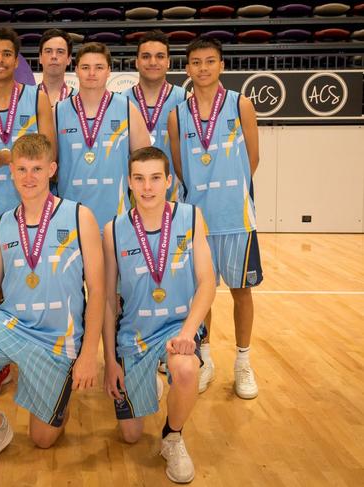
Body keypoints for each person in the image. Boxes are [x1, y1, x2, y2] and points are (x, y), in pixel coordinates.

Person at [0, 133, 104, 474]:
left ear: (52, 170)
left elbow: (98, 291)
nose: (29, 177)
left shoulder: (79, 217)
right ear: (11, 171)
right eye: (22, 169)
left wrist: (88, 355)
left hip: (58, 338)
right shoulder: (0, 226)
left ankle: (57, 388)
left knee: (43, 438)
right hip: (14, 324)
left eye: (37, 169)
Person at [102, 146, 215, 483]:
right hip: (134, 335)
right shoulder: (113, 230)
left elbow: (207, 283)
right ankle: (148, 376)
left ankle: (173, 436)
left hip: (176, 329)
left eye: (155, 178)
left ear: (169, 181)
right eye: (139, 179)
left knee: (185, 367)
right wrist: (109, 360)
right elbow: (108, 300)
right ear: (130, 183)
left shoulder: (191, 217)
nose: (147, 187)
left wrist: (188, 332)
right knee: (131, 435)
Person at [168, 36, 262, 398]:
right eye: (195, 62)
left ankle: (243, 362)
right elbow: (179, 167)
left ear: (221, 65)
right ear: (187, 68)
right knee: (200, 297)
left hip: (236, 218)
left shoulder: (242, 105)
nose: (202, 68)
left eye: (209, 61)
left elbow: (252, 160)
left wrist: (227, 191)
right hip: (197, 221)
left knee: (242, 293)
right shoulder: (178, 115)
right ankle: (205, 359)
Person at [0, 27, 55, 394]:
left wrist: (10, 158)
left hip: (30, 212)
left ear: (17, 61)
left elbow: (51, 151)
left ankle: (37, 353)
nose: (0, 60)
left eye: (6, 54)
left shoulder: (37, 98)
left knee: (31, 285)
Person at [55, 42, 151, 232]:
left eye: (99, 67)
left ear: (109, 71)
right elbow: (49, 163)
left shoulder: (127, 108)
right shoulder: (58, 112)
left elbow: (145, 162)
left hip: (116, 217)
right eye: (85, 67)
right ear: (76, 70)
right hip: (71, 216)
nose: (92, 73)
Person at [121, 30, 187, 202]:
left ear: (168, 62)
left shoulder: (185, 100)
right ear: (136, 62)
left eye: (159, 56)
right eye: (146, 56)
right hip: (134, 197)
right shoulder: (120, 102)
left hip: (174, 196)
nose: (153, 62)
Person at [37, 28, 77, 107]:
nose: (54, 56)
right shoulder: (26, 97)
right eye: (48, 51)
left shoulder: (79, 98)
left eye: (60, 52)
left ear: (69, 59)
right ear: (40, 58)